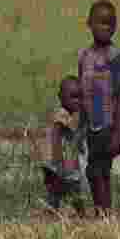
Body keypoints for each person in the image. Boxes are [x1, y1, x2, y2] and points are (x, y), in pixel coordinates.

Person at [77, 0, 120, 215]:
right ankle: (102, 210)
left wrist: (119, 130)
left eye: (110, 23)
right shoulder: (84, 56)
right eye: (100, 23)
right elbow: (80, 93)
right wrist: (79, 127)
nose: (105, 27)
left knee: (101, 170)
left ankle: (104, 211)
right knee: (93, 169)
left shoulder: (116, 57)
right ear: (89, 24)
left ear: (115, 26)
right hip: (91, 125)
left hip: (108, 124)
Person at [41, 75, 88, 216]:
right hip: (60, 165)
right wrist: (58, 160)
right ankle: (81, 215)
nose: (77, 101)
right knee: (73, 189)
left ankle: (51, 213)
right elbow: (55, 134)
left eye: (80, 97)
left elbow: (72, 137)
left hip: (55, 165)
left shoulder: (67, 115)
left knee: (56, 191)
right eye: (73, 97)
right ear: (61, 97)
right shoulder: (62, 115)